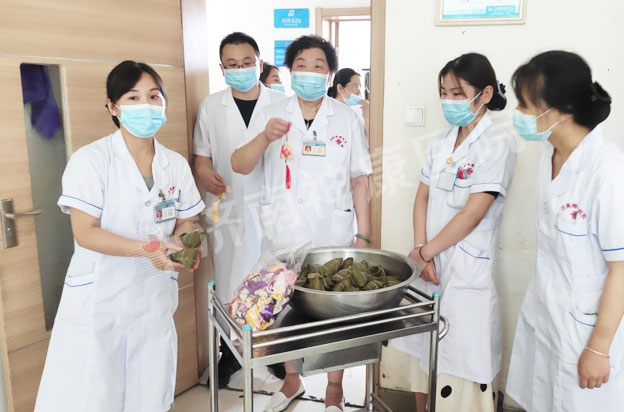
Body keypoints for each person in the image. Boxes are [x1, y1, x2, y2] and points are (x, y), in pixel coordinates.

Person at [34, 61, 204, 412]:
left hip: (154, 298)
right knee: (94, 395)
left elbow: (187, 220)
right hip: (101, 298)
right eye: (133, 97)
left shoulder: (174, 164)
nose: (146, 105)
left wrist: (186, 244)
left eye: (154, 96)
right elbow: (85, 233)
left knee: (149, 392)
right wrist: (150, 249)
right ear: (113, 107)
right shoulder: (91, 161)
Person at [231, 35, 372, 412]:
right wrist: (264, 137)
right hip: (283, 230)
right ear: (291, 71)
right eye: (302, 65)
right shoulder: (271, 113)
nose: (310, 72)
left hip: (333, 231)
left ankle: (334, 390)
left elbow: (360, 179)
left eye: (318, 66)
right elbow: (239, 164)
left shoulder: (346, 116)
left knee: (335, 313)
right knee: (285, 309)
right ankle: (292, 380)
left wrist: (363, 234)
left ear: (330, 74)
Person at [506, 51, 624, 412]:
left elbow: (623, 269)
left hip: (589, 330)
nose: (517, 112)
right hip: (548, 317)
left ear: (560, 111)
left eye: (525, 104)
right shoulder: (550, 153)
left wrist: (599, 347)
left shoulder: (609, 172)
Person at [390, 53, 517, 412]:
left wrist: (425, 254)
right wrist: (420, 248)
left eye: (458, 93)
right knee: (424, 356)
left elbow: (473, 213)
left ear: (485, 94)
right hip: (427, 264)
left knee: (461, 361)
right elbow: (422, 196)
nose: (448, 101)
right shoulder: (442, 141)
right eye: (444, 93)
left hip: (464, 269)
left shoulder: (498, 144)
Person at [193, 32, 288, 386]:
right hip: (227, 206)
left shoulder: (282, 104)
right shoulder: (210, 107)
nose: (240, 69)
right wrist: (205, 174)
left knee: (272, 281)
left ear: (259, 64)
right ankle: (228, 354)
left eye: (247, 63)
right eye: (232, 65)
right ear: (222, 69)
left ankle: (275, 354)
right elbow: (201, 158)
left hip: (272, 206)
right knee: (228, 281)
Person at [327, 68, 370, 146]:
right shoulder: (327, 110)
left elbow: (369, 143)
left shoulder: (359, 111)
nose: (359, 92)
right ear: (340, 88)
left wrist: (367, 118)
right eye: (356, 87)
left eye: (359, 87)